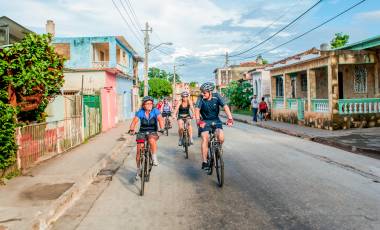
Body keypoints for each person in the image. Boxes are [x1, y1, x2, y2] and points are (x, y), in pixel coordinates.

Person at [195, 82, 233, 170]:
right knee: (205, 138)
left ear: (210, 92)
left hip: (216, 120)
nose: (202, 94)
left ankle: (218, 151)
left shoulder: (217, 96)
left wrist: (230, 118)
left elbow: (225, 107)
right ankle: (204, 162)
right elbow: (197, 109)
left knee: (221, 137)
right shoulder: (200, 98)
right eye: (202, 92)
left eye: (204, 93)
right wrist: (198, 121)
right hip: (204, 121)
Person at [128, 96, 165, 179]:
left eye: (151, 103)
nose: (149, 105)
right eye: (147, 104)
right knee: (139, 151)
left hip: (153, 131)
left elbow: (160, 119)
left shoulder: (155, 111)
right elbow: (134, 122)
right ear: (143, 105)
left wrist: (162, 129)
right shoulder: (140, 112)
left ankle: (154, 157)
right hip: (142, 132)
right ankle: (138, 170)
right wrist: (131, 129)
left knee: (151, 140)